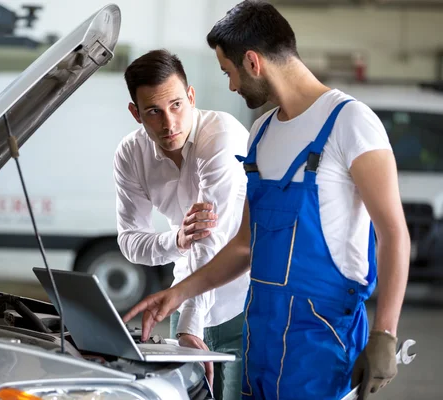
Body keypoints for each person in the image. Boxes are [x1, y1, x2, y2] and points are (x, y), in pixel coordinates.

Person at [123, 2, 411, 400]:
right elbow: (244, 244)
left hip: (323, 345)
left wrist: (385, 333)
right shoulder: (261, 134)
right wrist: (177, 293)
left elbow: (393, 232)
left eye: (229, 72)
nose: (231, 87)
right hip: (262, 345)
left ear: (253, 62)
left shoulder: (350, 123)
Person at [113, 49, 251, 400]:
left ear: (191, 97)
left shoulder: (220, 135)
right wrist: (175, 240)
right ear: (136, 113)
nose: (169, 123)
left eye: (176, 105)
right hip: (184, 295)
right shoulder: (130, 154)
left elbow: (210, 240)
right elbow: (130, 240)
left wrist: (190, 323)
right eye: (154, 112)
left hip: (245, 304)